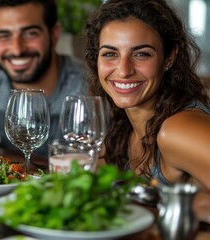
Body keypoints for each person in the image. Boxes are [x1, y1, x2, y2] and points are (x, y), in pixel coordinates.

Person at [85, 0, 210, 191]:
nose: (124, 70)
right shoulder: (121, 125)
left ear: (169, 58)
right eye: (110, 54)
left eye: (141, 54)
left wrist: (198, 206)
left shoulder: (178, 130)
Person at [0, 0, 88, 157]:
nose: (17, 49)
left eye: (30, 34)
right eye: (4, 36)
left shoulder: (87, 89)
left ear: (54, 34)